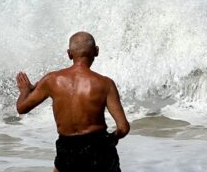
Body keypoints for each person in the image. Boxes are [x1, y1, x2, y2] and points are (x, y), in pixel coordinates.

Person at [15, 31, 130, 172]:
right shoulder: (105, 84)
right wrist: (113, 138)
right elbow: (123, 127)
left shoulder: (51, 80)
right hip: (99, 147)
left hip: (67, 147)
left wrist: (25, 91)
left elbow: (21, 108)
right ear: (96, 51)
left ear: (69, 54)